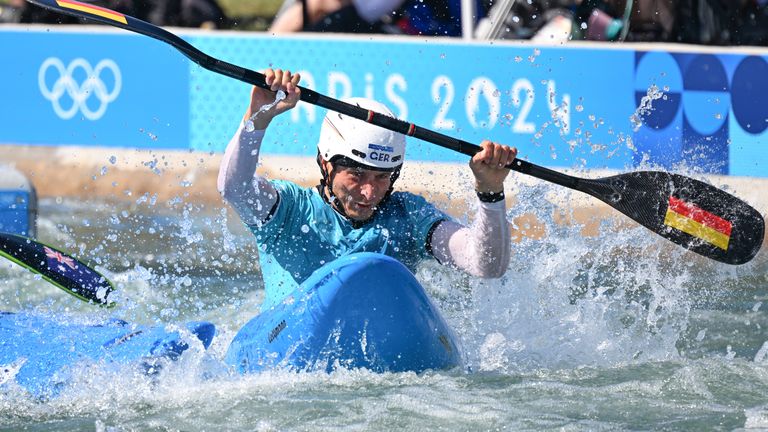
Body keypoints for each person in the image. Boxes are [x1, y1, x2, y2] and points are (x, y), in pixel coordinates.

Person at [218, 69, 516, 311]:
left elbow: (485, 264)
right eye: (356, 175)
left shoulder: (409, 216)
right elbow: (234, 188)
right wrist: (259, 117)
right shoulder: (290, 210)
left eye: (382, 177)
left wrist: (490, 193)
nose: (369, 193)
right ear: (325, 163)